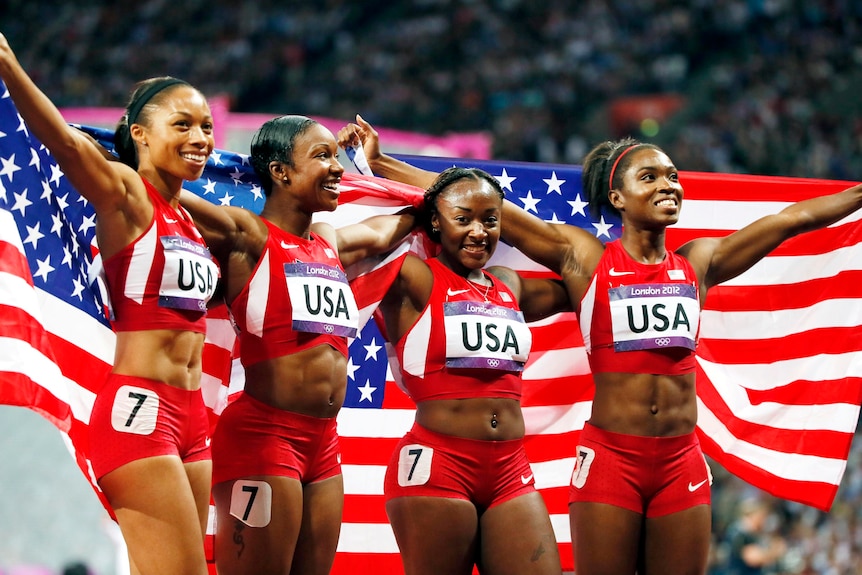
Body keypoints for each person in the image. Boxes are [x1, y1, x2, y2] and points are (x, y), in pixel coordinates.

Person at [338, 114, 862, 574]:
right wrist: (384, 166)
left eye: (673, 177)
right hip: (612, 458)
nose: (669, 185)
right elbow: (477, 201)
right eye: (650, 177)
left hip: (683, 459)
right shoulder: (586, 259)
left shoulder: (698, 262)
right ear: (617, 198)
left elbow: (790, 220)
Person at [0, 35, 217, 575]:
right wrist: (7, 64)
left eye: (207, 126)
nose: (200, 137)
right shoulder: (126, 194)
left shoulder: (190, 219)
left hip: (192, 418)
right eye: (183, 124)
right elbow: (70, 149)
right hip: (141, 413)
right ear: (140, 135)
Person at [177, 114, 418, 575]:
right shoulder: (248, 236)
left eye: (336, 157)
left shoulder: (328, 242)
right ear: (280, 172)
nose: (336, 169)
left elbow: (398, 226)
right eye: (322, 156)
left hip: (324, 445)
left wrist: (383, 164)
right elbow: (168, 195)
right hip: (263, 438)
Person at [340, 120, 569, 575]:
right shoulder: (412, 278)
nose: (479, 232)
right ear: (436, 222)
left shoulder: (509, 285)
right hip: (437, 465)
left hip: (511, 468)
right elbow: (350, 246)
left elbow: (587, 285)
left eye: (490, 219)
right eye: (462, 219)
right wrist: (383, 167)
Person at [725, 497, 787, 575]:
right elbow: (752, 559)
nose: (764, 520)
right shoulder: (739, 533)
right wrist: (775, 552)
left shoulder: (754, 533)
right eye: (763, 516)